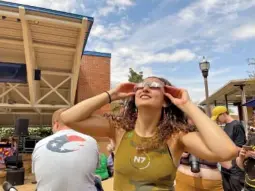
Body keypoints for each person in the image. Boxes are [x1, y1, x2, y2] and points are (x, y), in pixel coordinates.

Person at [61, 77, 238, 191]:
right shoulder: (119, 129)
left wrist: (188, 105)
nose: (145, 89)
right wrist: (112, 94)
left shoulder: (176, 137)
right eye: (140, 86)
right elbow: (68, 117)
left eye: (153, 86)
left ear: (166, 101)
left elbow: (227, 151)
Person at [32, 108, 99, 191]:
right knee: (96, 180)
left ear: (56, 124)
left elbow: (38, 177)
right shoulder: (91, 141)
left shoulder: (40, 144)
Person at [175, 106, 223, 191]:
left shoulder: (213, 133)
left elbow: (226, 160)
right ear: (186, 119)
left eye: (197, 116)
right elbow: (168, 156)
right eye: (191, 117)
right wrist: (180, 153)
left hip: (213, 183)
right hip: (185, 180)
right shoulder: (181, 134)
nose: (194, 120)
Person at [211, 106, 246, 191]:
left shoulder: (236, 125)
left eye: (217, 118)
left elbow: (241, 148)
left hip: (235, 168)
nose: (217, 120)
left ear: (223, 114)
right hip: (225, 168)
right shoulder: (226, 126)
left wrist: (224, 146)